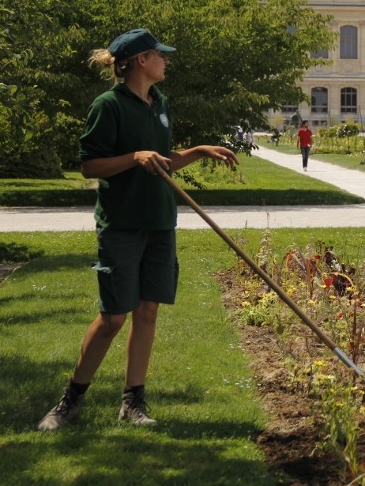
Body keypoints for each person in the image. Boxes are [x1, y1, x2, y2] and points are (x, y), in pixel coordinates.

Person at [37, 28, 238, 432]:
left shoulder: (159, 103)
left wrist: (197, 151)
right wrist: (133, 156)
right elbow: (90, 167)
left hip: (160, 223)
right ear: (141, 61)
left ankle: (133, 402)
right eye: (160, 55)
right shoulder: (108, 105)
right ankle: (70, 400)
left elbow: (160, 162)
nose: (167, 61)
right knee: (113, 317)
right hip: (122, 225)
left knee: (147, 312)